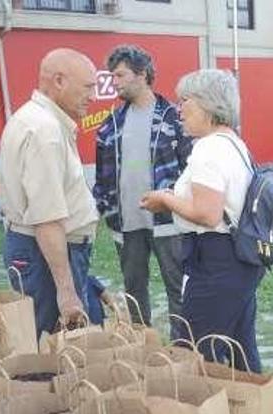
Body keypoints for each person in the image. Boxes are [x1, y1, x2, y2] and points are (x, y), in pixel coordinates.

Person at [138, 69, 264, 372]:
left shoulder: (208, 149)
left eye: (186, 101)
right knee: (240, 350)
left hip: (215, 262)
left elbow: (208, 214)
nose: (179, 109)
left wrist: (165, 200)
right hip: (239, 261)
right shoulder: (233, 142)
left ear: (208, 104)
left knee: (194, 352)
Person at [0, 48, 100, 336]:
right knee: (57, 346)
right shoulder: (45, 132)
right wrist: (66, 292)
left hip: (42, 251)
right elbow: (47, 219)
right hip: (45, 254)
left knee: (54, 341)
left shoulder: (36, 119)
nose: (93, 96)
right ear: (59, 81)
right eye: (88, 87)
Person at [93, 45, 192, 333]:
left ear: (143, 74)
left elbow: (190, 170)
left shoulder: (175, 118)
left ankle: (184, 348)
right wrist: (97, 212)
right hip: (126, 223)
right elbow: (103, 178)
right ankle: (143, 348)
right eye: (112, 77)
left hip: (169, 222)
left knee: (179, 289)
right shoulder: (109, 126)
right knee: (134, 289)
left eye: (120, 75)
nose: (115, 82)